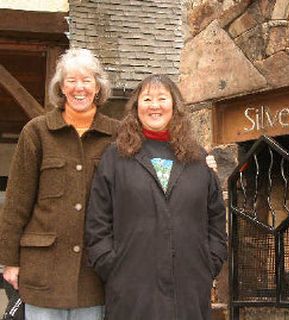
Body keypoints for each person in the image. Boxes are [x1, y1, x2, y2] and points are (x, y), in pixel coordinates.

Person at [0, 49, 217, 320]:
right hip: (45, 270)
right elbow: (17, 201)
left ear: (98, 87)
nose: (79, 88)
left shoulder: (120, 136)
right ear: (60, 87)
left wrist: (204, 164)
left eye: (87, 80)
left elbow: (166, 156)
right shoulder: (37, 132)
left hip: (92, 278)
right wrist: (10, 260)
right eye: (71, 80)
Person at [85, 74, 227, 320]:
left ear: (174, 106)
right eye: (147, 98)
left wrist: (209, 262)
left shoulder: (198, 158)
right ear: (136, 107)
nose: (154, 105)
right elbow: (98, 220)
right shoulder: (115, 157)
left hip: (189, 287)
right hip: (132, 289)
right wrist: (112, 265)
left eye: (162, 98)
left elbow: (216, 216)